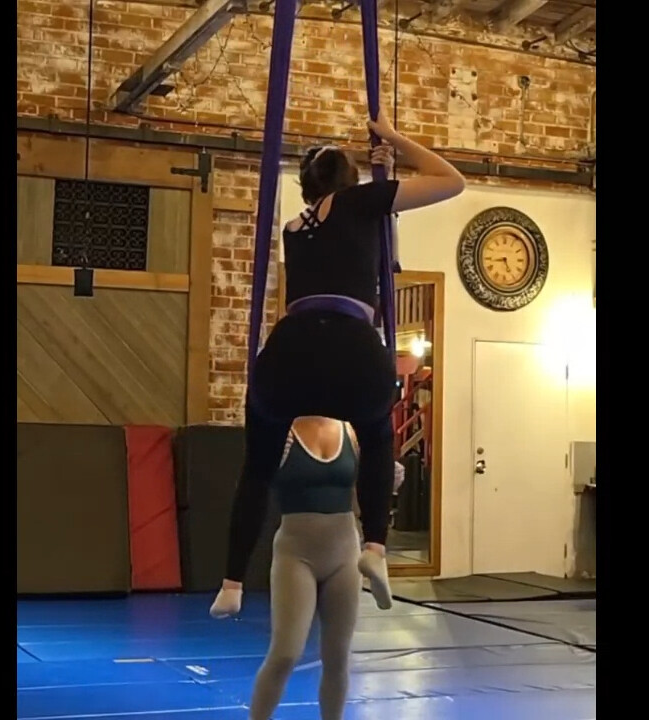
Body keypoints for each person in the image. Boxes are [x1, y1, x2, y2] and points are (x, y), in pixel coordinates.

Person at [211, 111, 465, 618]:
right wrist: (393, 140)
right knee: (377, 439)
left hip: (293, 348)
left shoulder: (294, 227)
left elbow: (368, 245)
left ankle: (232, 581)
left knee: (257, 467)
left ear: (308, 186)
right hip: (351, 345)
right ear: (351, 181)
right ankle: (374, 546)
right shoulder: (359, 203)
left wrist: (380, 184)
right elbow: (450, 181)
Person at [234, 416, 369, 720]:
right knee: (285, 653)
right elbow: (252, 492)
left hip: (345, 553)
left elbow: (359, 496)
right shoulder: (283, 432)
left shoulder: (350, 430)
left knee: (337, 657)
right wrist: (233, 579)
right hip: (296, 557)